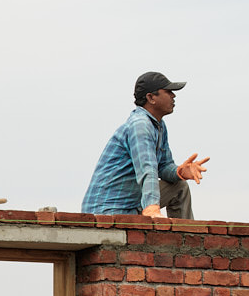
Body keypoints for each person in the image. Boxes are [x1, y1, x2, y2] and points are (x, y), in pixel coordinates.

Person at [82, 70, 209, 218]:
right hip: (108, 210)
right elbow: (147, 169)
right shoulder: (140, 125)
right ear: (151, 97)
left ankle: (184, 238)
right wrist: (152, 207)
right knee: (160, 187)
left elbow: (163, 166)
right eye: (168, 92)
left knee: (180, 186)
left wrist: (179, 172)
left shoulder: (159, 126)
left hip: (131, 204)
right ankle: (158, 216)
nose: (173, 96)